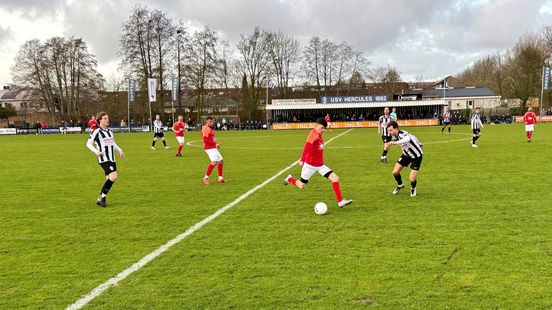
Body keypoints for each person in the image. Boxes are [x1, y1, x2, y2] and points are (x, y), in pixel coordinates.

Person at [283, 118, 353, 208]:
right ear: (316, 125)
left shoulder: (319, 134)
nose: (323, 130)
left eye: (324, 128)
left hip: (320, 165)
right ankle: (289, 179)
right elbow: (307, 146)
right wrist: (302, 159)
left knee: (335, 178)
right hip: (309, 165)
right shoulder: (314, 135)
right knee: (301, 185)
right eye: (321, 128)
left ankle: (340, 202)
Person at [86, 112, 124, 207]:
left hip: (112, 158)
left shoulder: (110, 131)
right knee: (114, 176)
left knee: (109, 178)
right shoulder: (96, 131)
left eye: (108, 118)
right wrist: (96, 152)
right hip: (103, 158)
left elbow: (112, 143)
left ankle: (102, 198)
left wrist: (119, 149)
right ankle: (101, 197)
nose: (107, 120)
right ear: (100, 120)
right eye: (105, 118)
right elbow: (88, 143)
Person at [384, 121, 423, 197]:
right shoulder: (397, 135)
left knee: (412, 179)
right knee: (395, 172)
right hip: (406, 155)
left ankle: (413, 188)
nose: (389, 132)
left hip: (416, 156)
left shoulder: (402, 134)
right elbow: (413, 136)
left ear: (396, 128)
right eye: (388, 130)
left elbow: (408, 138)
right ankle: (400, 185)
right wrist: (419, 143)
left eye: (391, 130)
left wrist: (394, 143)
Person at [202, 116, 225, 185]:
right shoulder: (206, 128)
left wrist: (215, 144)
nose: (212, 123)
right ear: (207, 121)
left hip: (212, 147)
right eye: (210, 121)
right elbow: (205, 140)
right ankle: (205, 178)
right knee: (214, 162)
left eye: (213, 122)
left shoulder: (210, 129)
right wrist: (215, 144)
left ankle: (220, 178)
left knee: (220, 161)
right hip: (209, 148)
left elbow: (211, 139)